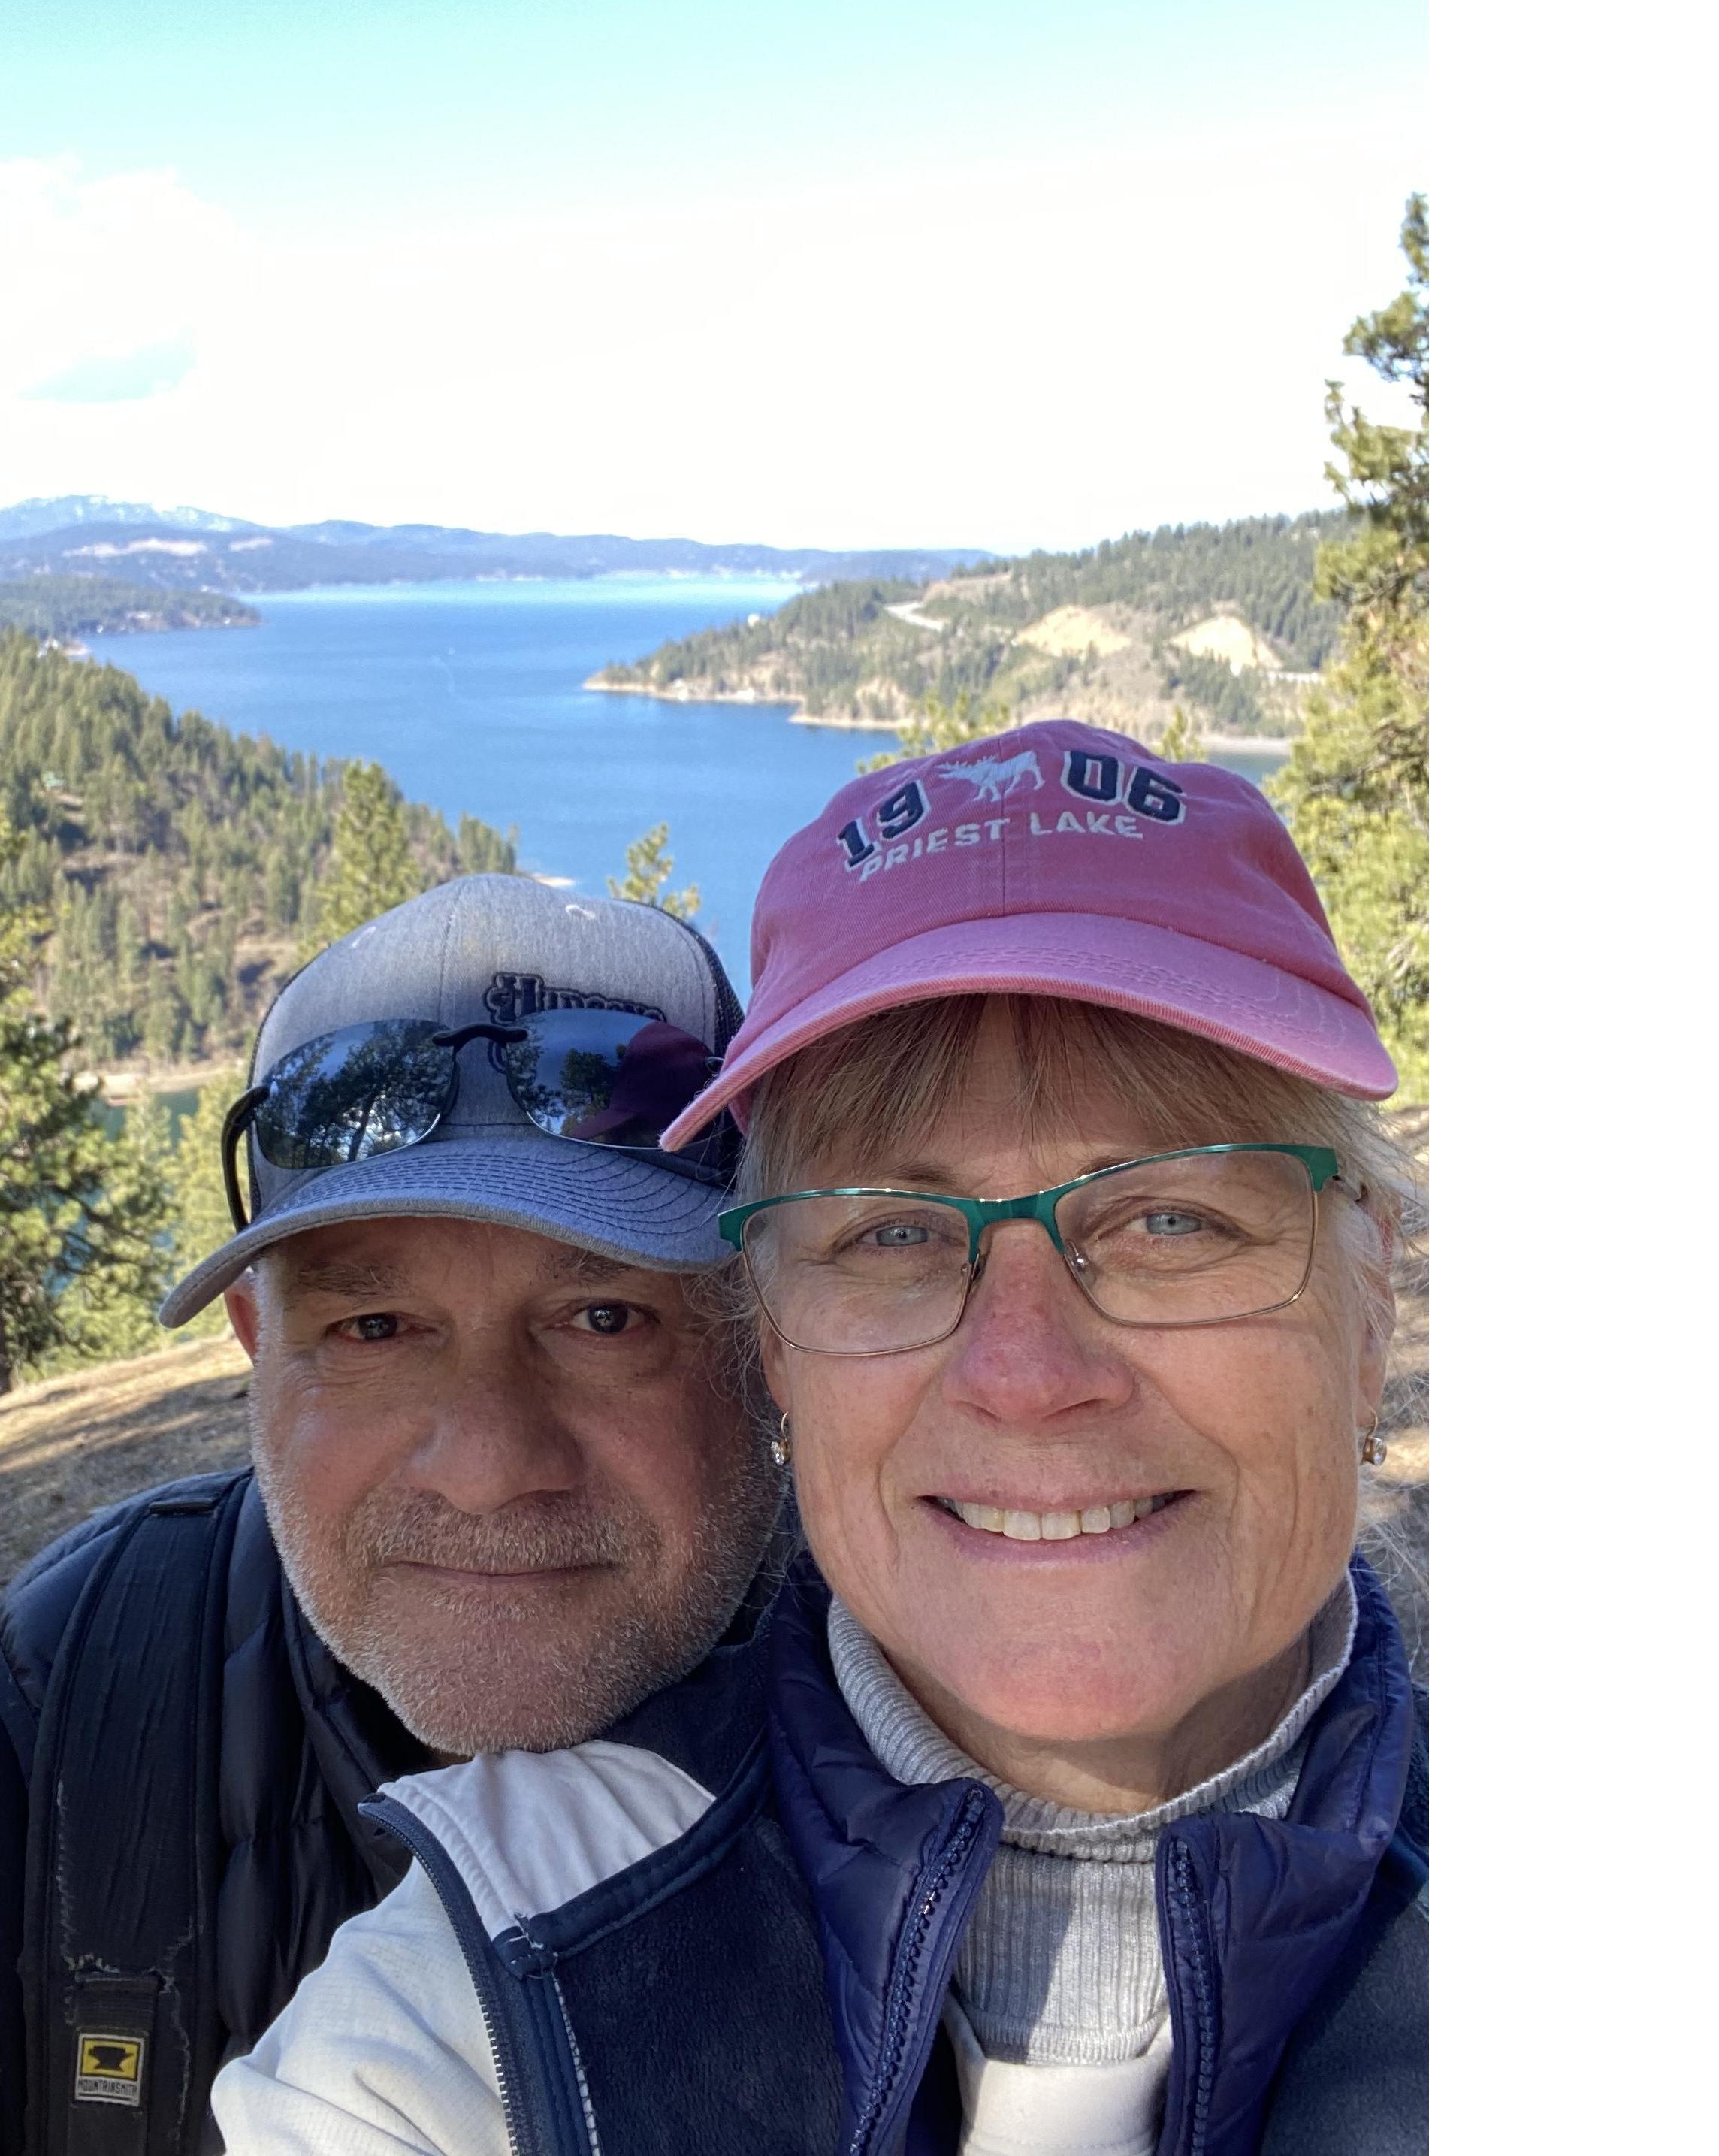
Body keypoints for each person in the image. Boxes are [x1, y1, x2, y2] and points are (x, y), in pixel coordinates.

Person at [215, 721, 1426, 2156]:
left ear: (1371, 1307)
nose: (1027, 1375)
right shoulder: (477, 2008)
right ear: (775, 1346)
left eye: (1172, 1219)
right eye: (894, 1234)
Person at [0, 873, 784, 2156]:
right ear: (257, 1346)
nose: (487, 1465)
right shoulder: (27, 1765)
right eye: (373, 1327)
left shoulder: (972, 1751)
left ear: (766, 1338)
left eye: (606, 1318)